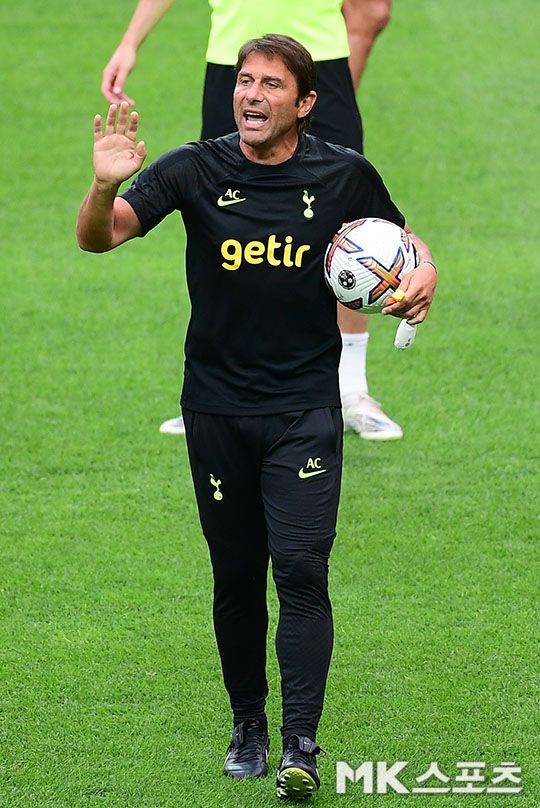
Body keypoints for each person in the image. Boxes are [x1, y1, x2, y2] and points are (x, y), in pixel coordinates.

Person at [77, 34, 437, 799]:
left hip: (304, 409)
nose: (251, 94)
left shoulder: (343, 174)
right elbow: (98, 237)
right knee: (237, 575)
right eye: (245, 80)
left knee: (301, 570)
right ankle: (249, 724)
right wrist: (106, 186)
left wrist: (425, 276)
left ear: (305, 104)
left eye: (272, 85)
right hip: (215, 409)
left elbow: (406, 243)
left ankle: (302, 740)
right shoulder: (193, 168)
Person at [101, 0, 402, 441]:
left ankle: (351, 388)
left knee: (350, 226)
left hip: (320, 58)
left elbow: (372, 10)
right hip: (233, 58)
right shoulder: (244, 85)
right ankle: (220, 390)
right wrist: (130, 41)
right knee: (219, 214)